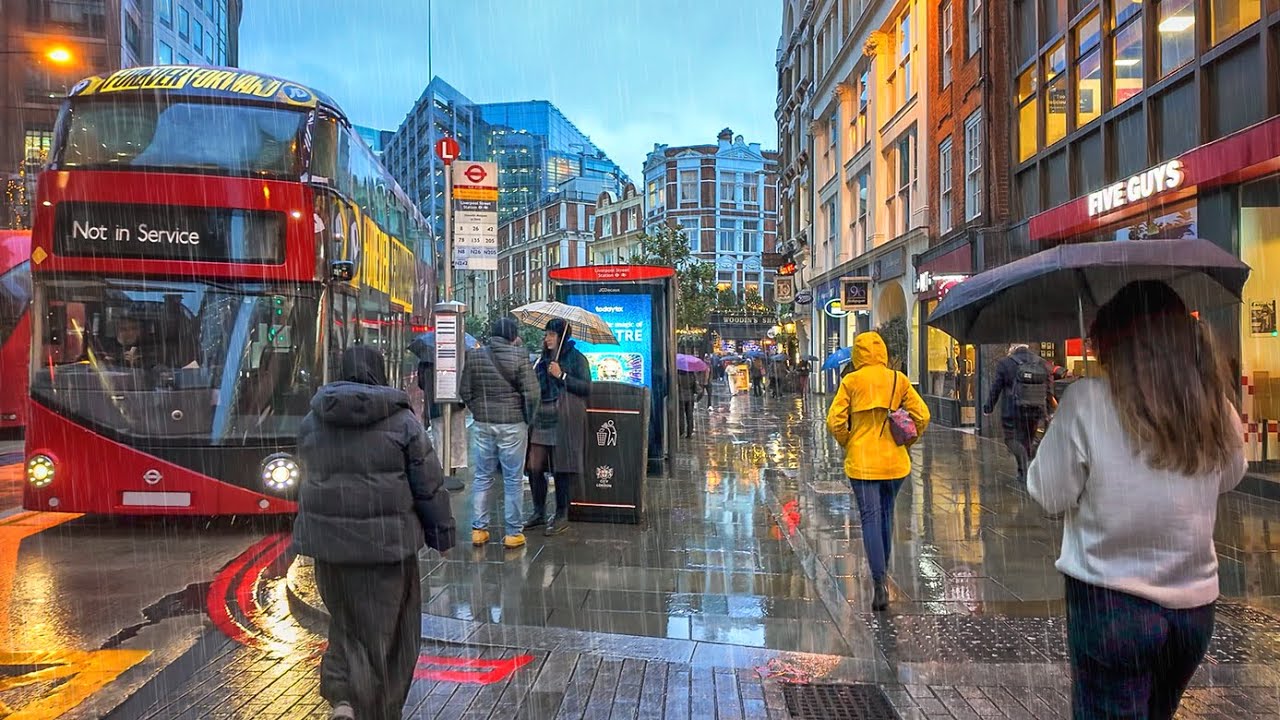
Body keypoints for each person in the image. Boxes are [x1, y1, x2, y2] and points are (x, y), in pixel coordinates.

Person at [1028, 281, 1246, 717]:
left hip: (1111, 601)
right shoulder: (1213, 406)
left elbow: (1047, 494)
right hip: (1193, 609)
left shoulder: (1088, 401)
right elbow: (1231, 476)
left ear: (1113, 344)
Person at [293, 345, 456, 720]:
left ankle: (345, 699)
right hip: (387, 548)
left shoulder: (314, 420)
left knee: (346, 625)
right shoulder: (402, 422)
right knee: (391, 634)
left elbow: (308, 479)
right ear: (379, 372)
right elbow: (428, 484)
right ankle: (375, 709)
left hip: (331, 549)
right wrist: (442, 535)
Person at [826, 332, 930, 612]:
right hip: (895, 463)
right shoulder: (898, 379)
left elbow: (834, 421)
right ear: (882, 352)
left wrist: (849, 440)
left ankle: (879, 582)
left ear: (858, 354)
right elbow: (922, 415)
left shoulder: (851, 381)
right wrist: (909, 440)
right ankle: (883, 574)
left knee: (870, 517)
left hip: (862, 462)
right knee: (886, 514)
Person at [460, 317, 540, 549]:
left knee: (483, 476)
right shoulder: (520, 356)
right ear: (513, 336)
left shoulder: (475, 356)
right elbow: (533, 394)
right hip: (513, 424)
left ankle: (479, 529)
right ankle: (513, 533)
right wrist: (527, 417)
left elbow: (465, 390)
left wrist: (479, 410)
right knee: (513, 479)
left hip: (483, 424)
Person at [524, 318, 592, 536]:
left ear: (562, 336)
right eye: (546, 335)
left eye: (551, 335)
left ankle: (562, 513)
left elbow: (586, 388)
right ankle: (538, 511)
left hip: (564, 418)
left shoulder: (577, 358)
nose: (547, 339)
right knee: (534, 467)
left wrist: (562, 375)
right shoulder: (542, 359)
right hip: (542, 418)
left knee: (561, 467)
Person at [983, 343, 1054, 482]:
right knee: (1027, 439)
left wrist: (988, 407)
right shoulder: (1041, 362)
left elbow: (996, 387)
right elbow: (1048, 389)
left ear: (1013, 348)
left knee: (1011, 440)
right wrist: (1048, 411)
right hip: (1035, 410)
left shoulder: (1005, 363)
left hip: (1012, 410)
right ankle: (1025, 471)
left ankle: (1024, 466)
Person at [677, 369, 700, 438]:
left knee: (681, 415)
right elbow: (696, 389)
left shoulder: (678, 375)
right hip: (690, 398)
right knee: (690, 415)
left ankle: (681, 431)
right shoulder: (692, 376)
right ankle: (689, 432)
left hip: (680, 398)